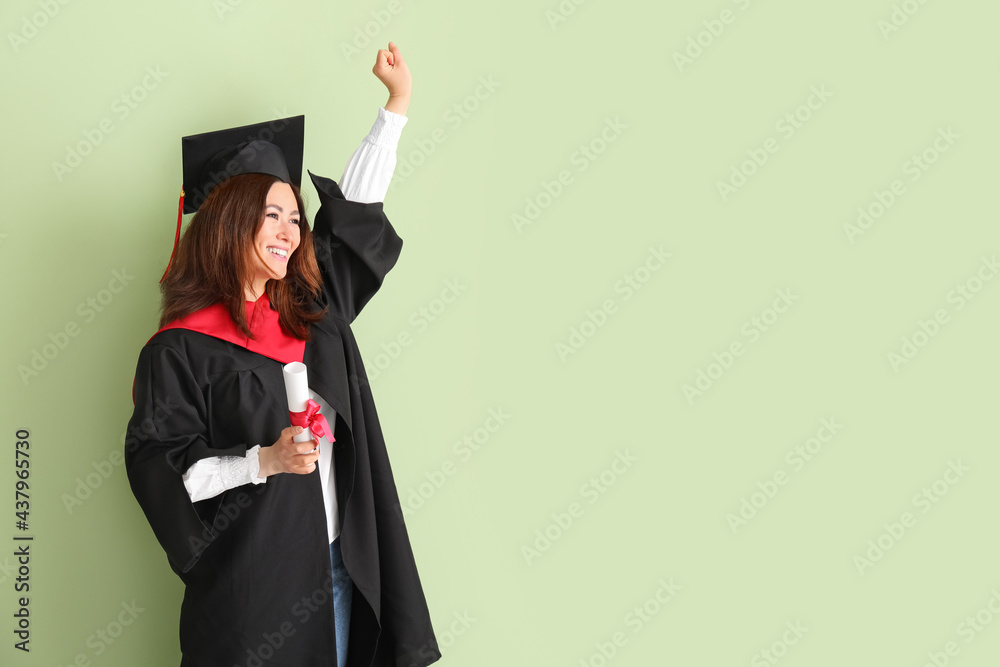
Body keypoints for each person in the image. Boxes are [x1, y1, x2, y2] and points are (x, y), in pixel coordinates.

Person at [124, 43, 441, 667]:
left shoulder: (311, 313)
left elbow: (352, 218)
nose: (290, 232)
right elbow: (163, 474)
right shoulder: (181, 350)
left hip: (341, 561)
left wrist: (395, 107)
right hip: (254, 586)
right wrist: (262, 461)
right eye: (271, 215)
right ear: (227, 223)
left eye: (294, 217)